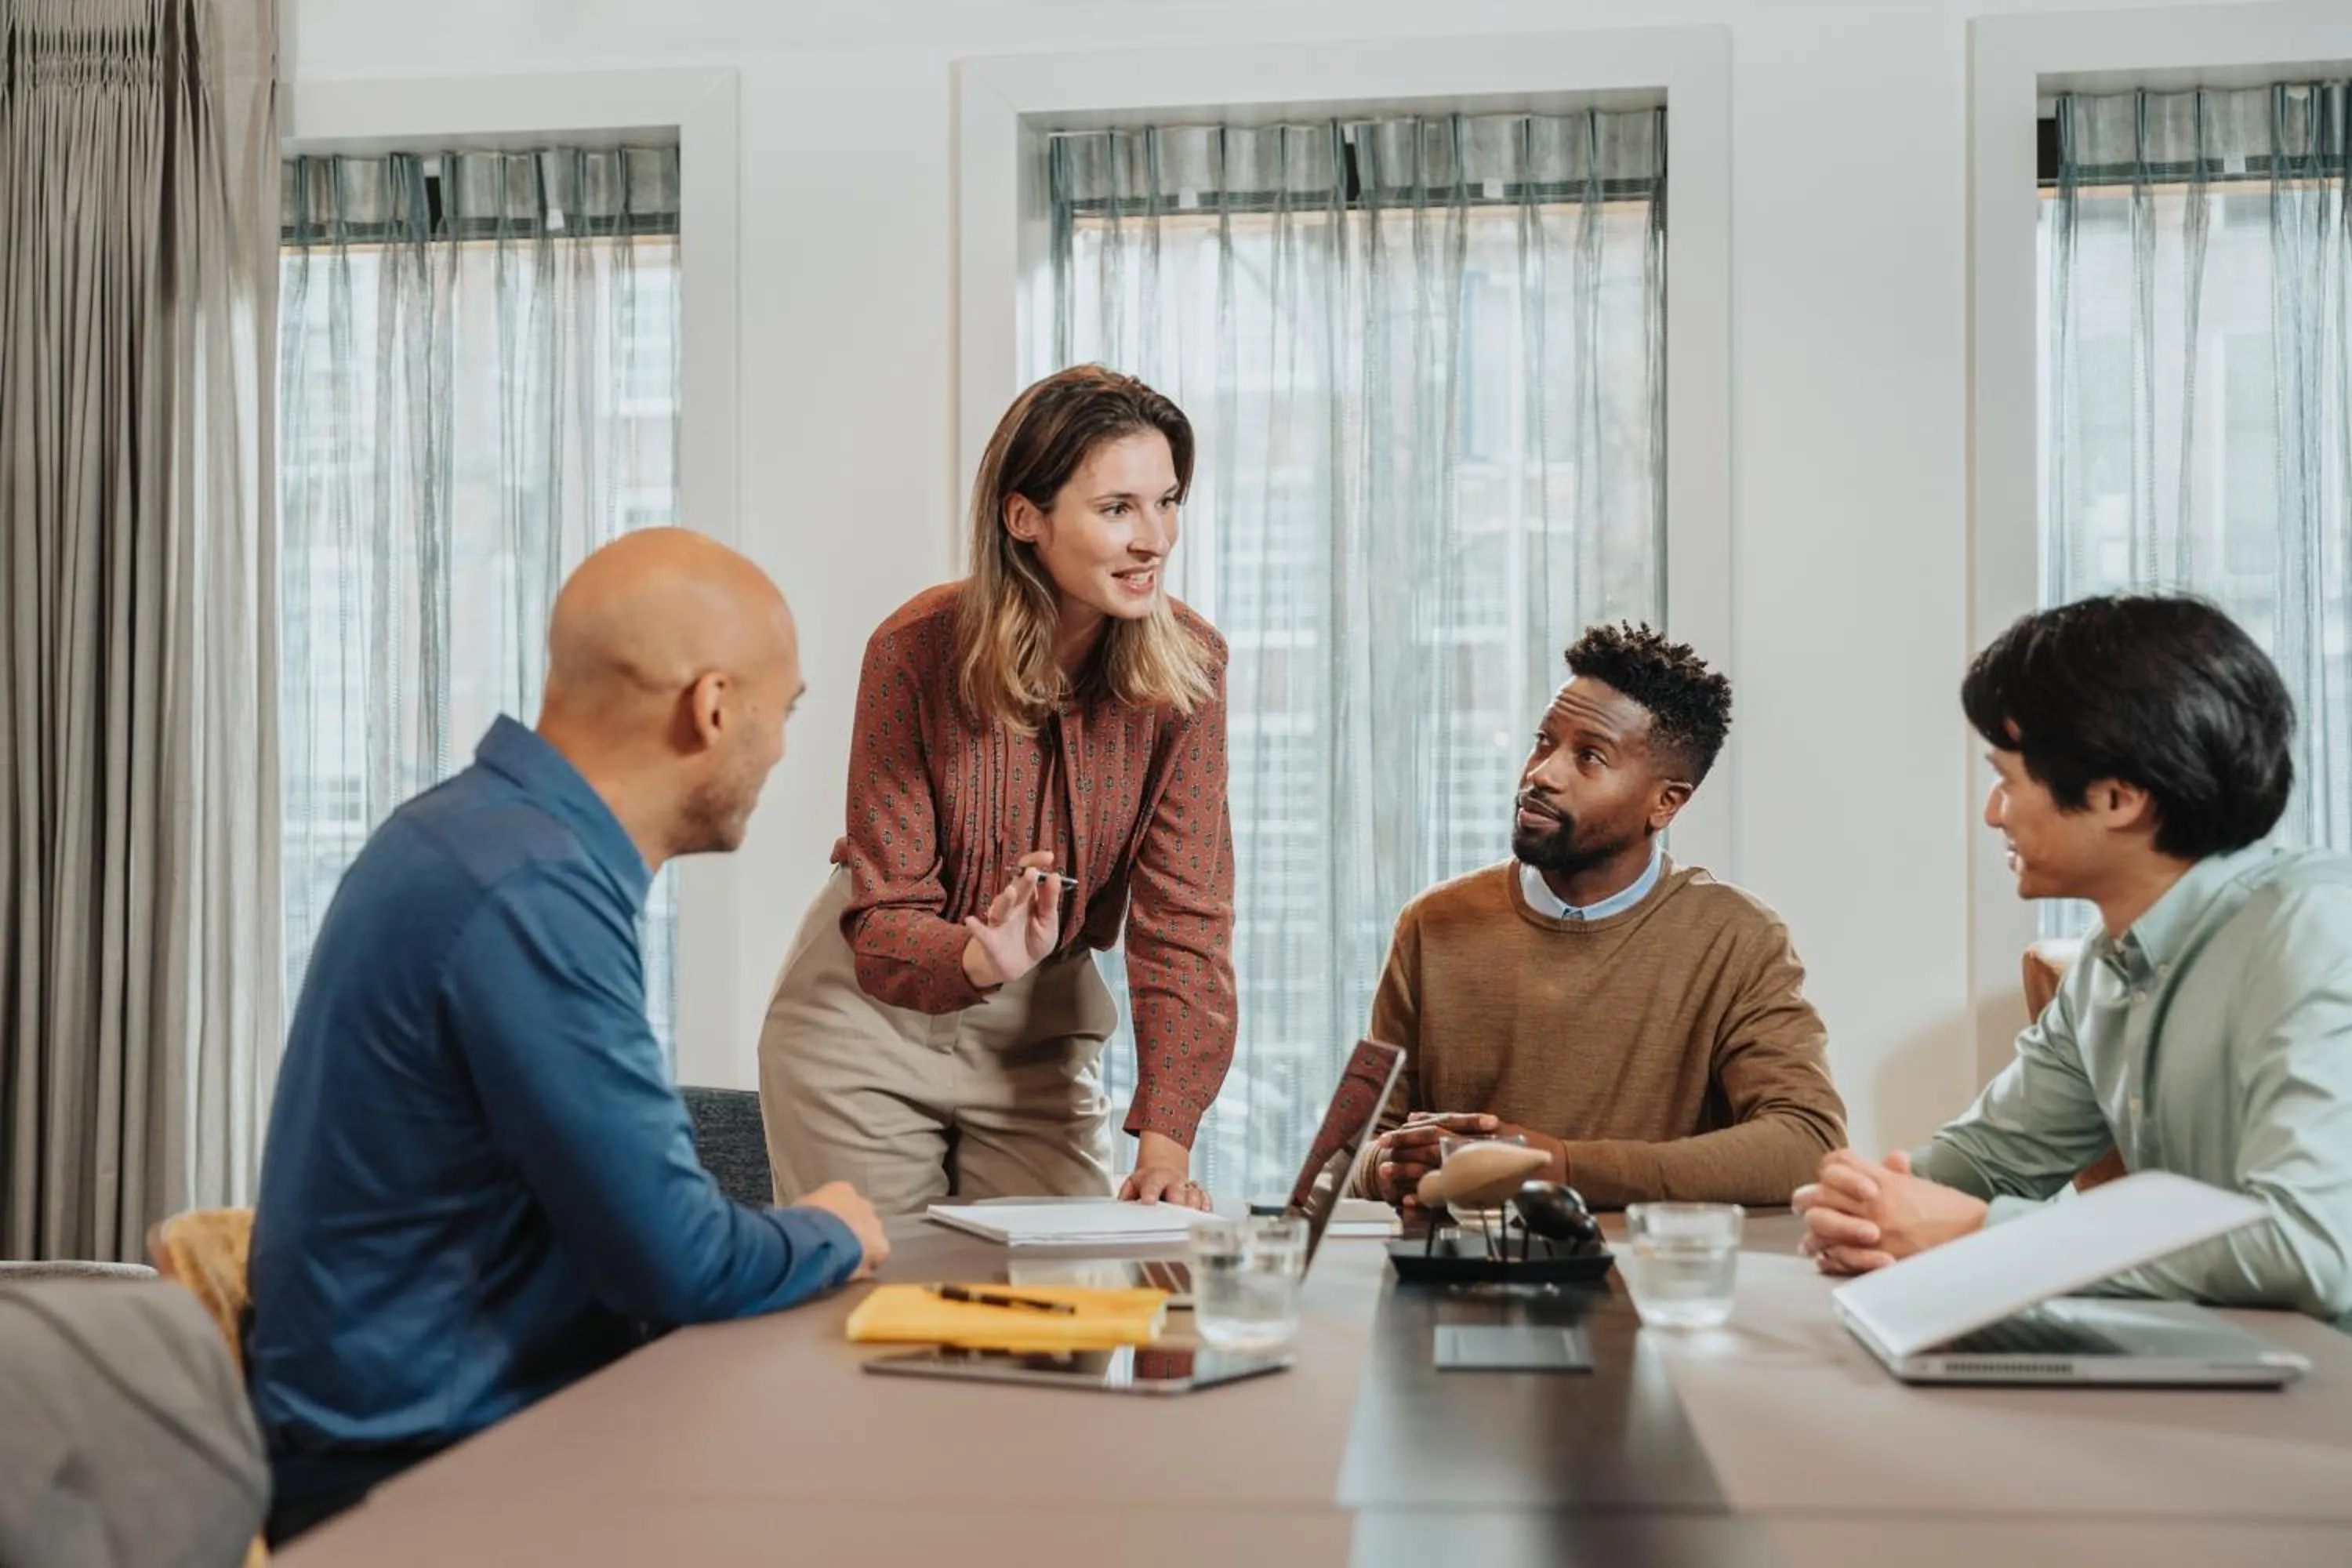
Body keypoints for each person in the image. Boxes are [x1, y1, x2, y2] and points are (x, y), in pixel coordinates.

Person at [248, 530, 888, 1544]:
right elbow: (673, 1260)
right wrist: (833, 1226)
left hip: (439, 1434)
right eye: (785, 712)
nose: (777, 750)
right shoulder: (529, 887)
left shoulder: (478, 836)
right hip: (419, 1483)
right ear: (714, 707)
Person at [1795, 595, 2352, 1329]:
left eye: (2009, 779)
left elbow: (2312, 1249)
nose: (1995, 812)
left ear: (2118, 798)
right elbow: (1989, 1161)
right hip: (2221, 1376)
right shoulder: (2109, 965)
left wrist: (1974, 1235)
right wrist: (1864, 1201)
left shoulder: (2313, 929)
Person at [759, 365, 1236, 1215]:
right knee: (884, 1323)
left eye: (1167, 501)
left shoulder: (1190, 672)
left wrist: (1168, 1141)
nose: (1154, 538)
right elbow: (888, 907)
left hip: (1036, 1032)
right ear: (1025, 518)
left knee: (1059, 1327)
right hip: (868, 1021)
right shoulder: (913, 650)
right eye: (1117, 508)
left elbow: (1185, 918)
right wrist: (981, 955)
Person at [1353, 624, 1846, 1213]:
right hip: (1455, 1282)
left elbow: (1806, 1145)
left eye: (1589, 757)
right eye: (1543, 742)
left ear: (1666, 802)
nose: (1542, 774)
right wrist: (1386, 1165)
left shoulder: (1738, 940)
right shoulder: (1433, 924)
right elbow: (1345, 1152)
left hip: (1644, 1285)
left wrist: (1557, 1167)